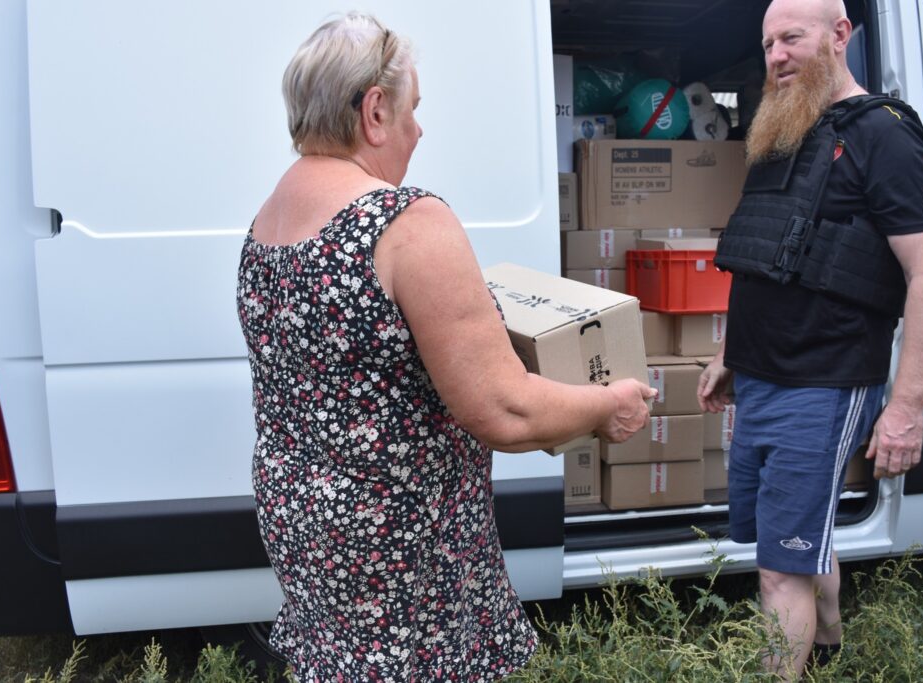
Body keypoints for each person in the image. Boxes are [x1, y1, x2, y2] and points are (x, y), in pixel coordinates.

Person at [235, 12, 655, 682]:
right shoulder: (406, 224)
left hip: (304, 524)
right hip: (399, 546)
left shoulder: (268, 220)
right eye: (413, 109)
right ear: (375, 111)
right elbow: (503, 409)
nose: (419, 129)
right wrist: (609, 405)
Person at [698, 0, 923, 678]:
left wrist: (907, 407)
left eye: (791, 38)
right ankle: (831, 652)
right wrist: (728, 353)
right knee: (793, 539)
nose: (775, 56)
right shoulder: (785, 126)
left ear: (839, 35)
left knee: (779, 569)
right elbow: (760, 254)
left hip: (825, 380)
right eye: (768, 44)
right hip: (760, 374)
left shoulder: (886, 134)